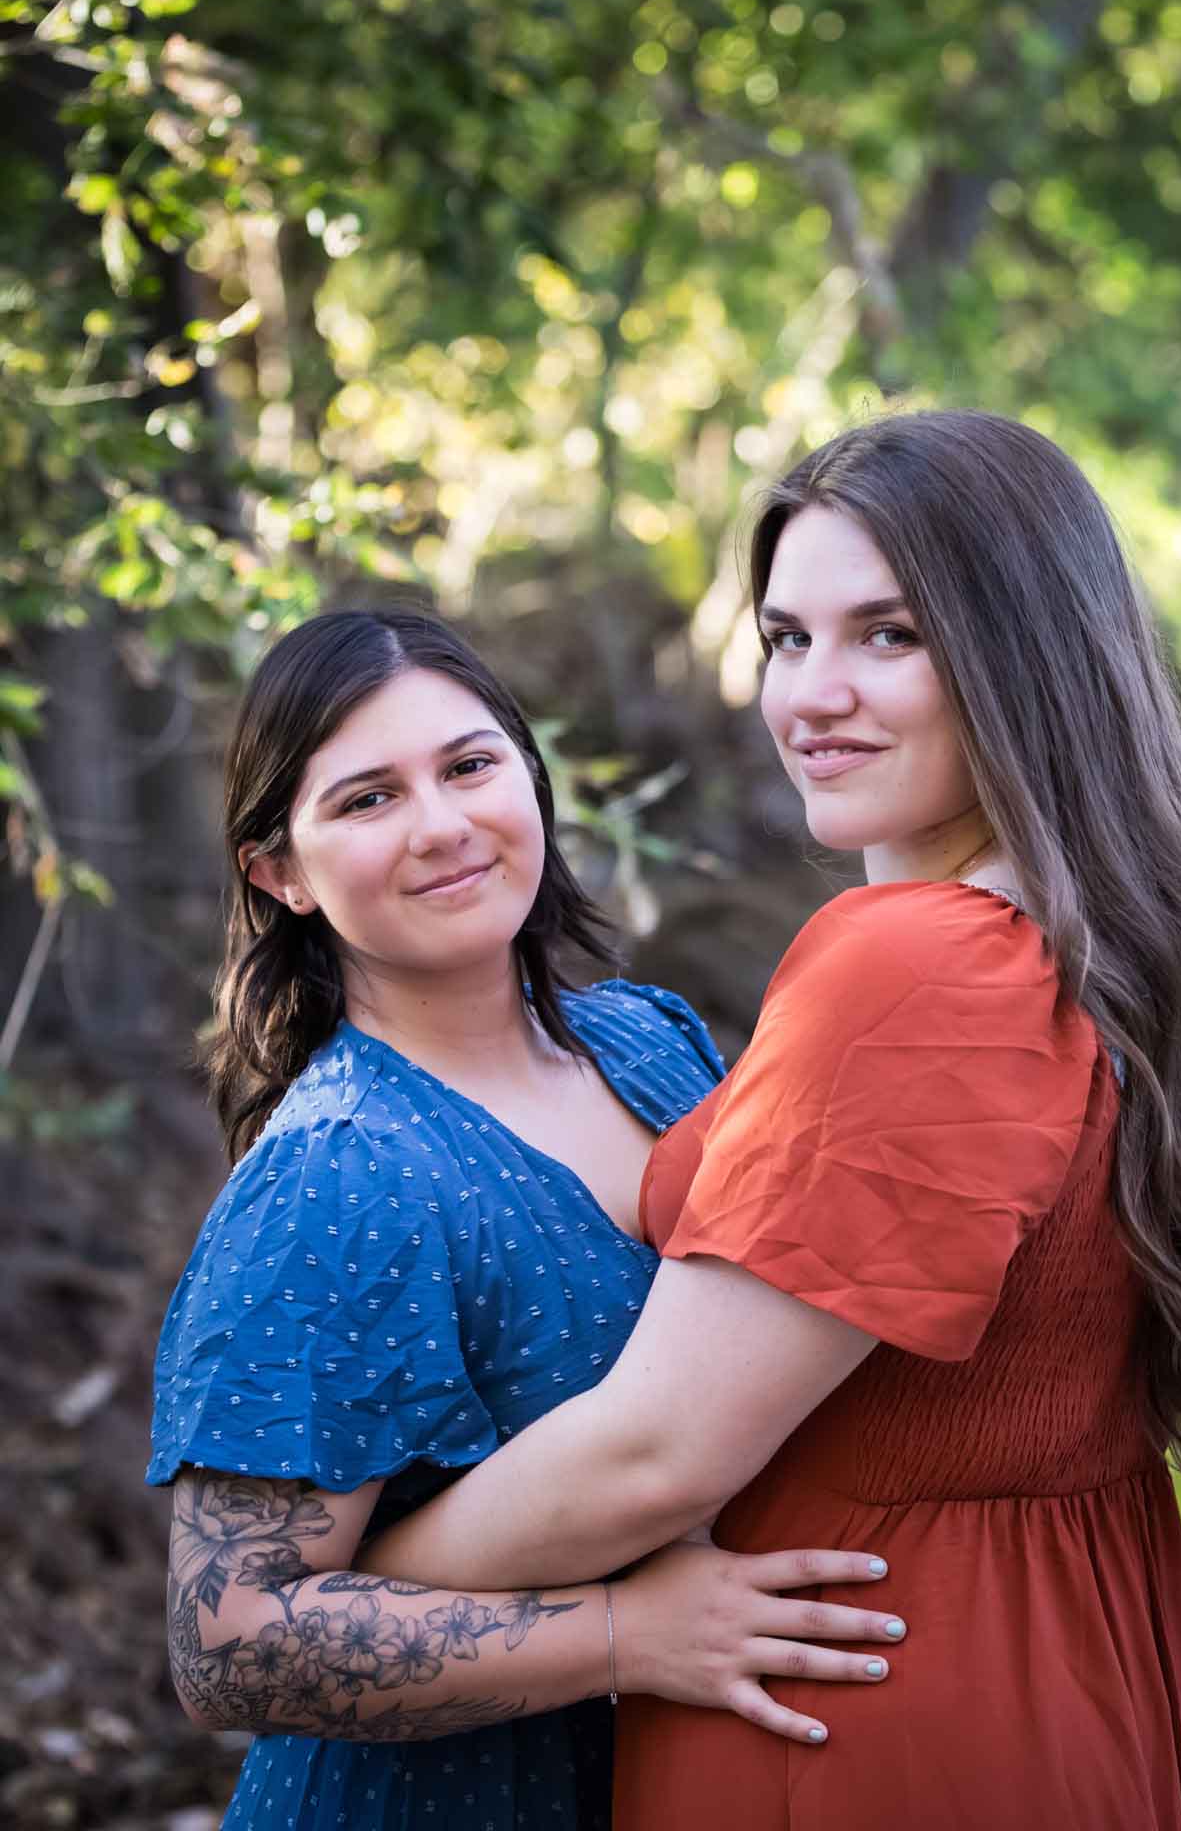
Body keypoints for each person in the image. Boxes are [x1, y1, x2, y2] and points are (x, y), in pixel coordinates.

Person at [360, 411, 1181, 1831]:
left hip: (862, 1705)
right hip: (1053, 1657)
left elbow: (660, 1451)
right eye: (785, 639)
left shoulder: (919, 970)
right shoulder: (1105, 940)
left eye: (886, 635)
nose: (811, 696)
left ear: (1027, 656)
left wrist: (343, 1590)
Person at [147, 609, 906, 1831]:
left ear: (528, 776)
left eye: (468, 764)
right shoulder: (335, 1179)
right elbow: (228, 1639)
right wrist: (618, 1635)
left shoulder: (647, 1041)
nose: (442, 825)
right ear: (277, 871)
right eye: (365, 800)